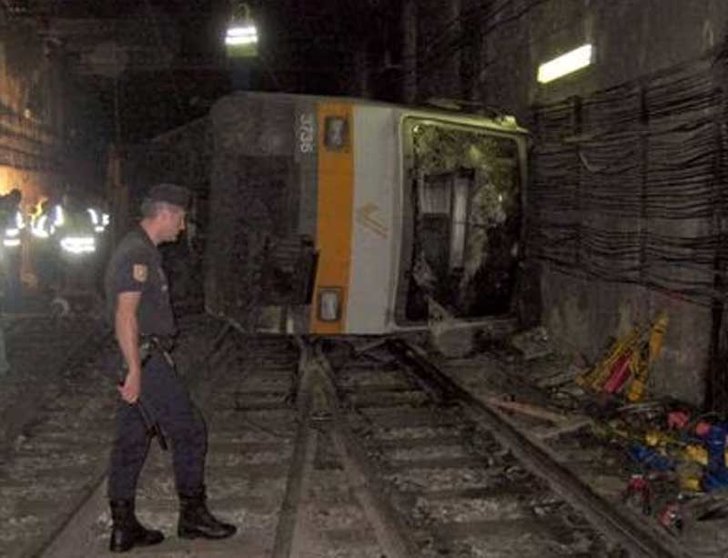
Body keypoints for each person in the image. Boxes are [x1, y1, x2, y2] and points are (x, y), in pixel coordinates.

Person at [104, 184, 236, 553]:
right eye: (180, 217)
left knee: (132, 439)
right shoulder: (137, 255)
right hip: (142, 361)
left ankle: (123, 528)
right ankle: (193, 516)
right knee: (191, 431)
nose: (183, 225)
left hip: (147, 356)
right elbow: (125, 315)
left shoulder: (142, 250)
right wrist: (135, 370)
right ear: (164, 213)